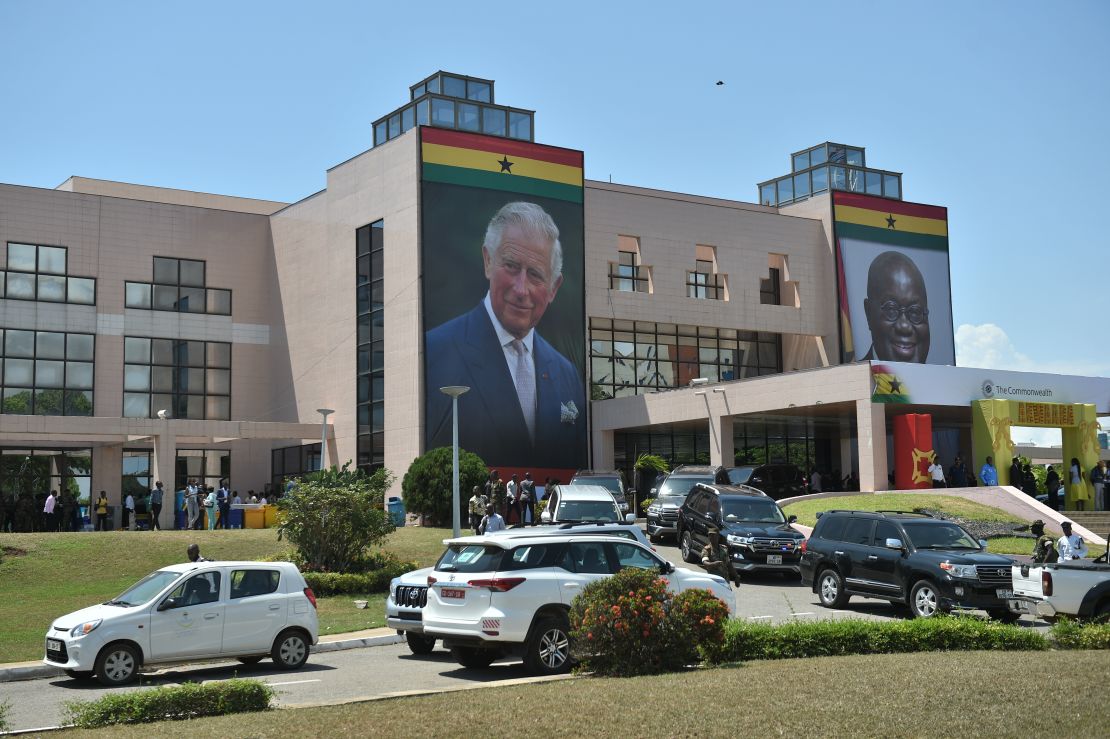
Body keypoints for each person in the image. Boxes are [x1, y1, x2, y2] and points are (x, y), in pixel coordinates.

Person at [424, 201, 585, 470]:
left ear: (554, 287)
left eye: (535, 275)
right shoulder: (435, 353)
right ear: (488, 261)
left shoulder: (566, 374)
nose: (521, 289)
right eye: (511, 266)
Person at [862, 251, 930, 363]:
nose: (904, 326)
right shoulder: (850, 378)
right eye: (891, 310)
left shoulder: (945, 380)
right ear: (869, 314)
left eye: (915, 312)